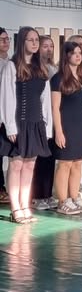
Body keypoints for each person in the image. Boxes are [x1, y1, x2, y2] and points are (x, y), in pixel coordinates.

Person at [0, 27, 52, 224]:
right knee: (16, 165)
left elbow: (45, 100)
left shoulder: (41, 68)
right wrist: (10, 126)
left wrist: (47, 127)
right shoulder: (12, 66)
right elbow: (6, 97)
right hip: (18, 123)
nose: (34, 43)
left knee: (30, 165)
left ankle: (25, 205)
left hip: (35, 123)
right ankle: (16, 208)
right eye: (30, 40)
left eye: (36, 39)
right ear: (22, 42)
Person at [51, 41, 82, 215]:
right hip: (66, 125)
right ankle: (63, 202)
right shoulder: (58, 79)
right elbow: (55, 107)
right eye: (74, 53)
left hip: (81, 125)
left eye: (80, 53)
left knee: (78, 163)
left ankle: (74, 197)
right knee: (65, 164)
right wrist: (59, 131)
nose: (78, 56)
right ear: (66, 55)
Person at [30, 35, 59, 211]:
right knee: (38, 160)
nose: (49, 50)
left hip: (54, 120)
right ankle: (36, 196)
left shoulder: (55, 69)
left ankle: (47, 194)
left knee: (49, 159)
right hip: (39, 120)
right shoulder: (34, 69)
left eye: (51, 46)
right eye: (45, 46)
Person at [67, 34, 82, 200]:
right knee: (66, 160)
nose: (81, 49)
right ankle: (65, 193)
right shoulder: (61, 70)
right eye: (77, 45)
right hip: (68, 120)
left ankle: (79, 187)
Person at [0, 27, 11, 204]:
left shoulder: (11, 62)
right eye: (2, 39)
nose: (6, 42)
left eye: (7, 39)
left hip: (8, 116)